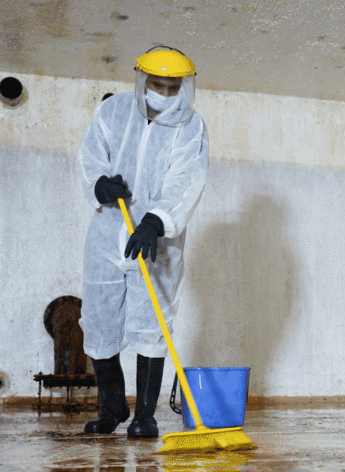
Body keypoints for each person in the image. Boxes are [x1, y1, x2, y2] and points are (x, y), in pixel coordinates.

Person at [75, 46, 209, 438]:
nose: (164, 94)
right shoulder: (113, 111)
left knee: (153, 324)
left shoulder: (192, 127)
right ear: (141, 81)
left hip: (156, 240)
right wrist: (100, 184)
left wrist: (155, 221)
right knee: (100, 320)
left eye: (172, 87)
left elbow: (187, 181)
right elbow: (90, 156)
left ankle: (145, 417)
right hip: (107, 233)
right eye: (156, 84)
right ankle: (112, 409)